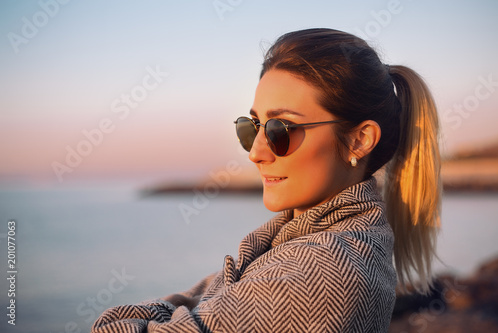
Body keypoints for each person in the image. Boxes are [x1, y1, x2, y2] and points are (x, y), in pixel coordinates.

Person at [92, 28, 441, 332]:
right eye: (252, 126)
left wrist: (182, 309)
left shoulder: (320, 273)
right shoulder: (302, 239)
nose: (255, 152)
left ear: (359, 140)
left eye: (281, 129)